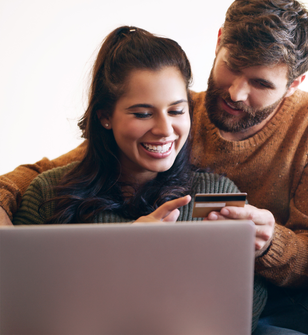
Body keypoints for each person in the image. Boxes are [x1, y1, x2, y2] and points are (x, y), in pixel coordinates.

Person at [0, 0, 308, 334]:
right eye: (231, 67)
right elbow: (57, 172)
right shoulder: (174, 116)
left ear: (295, 83)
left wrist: (270, 243)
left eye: (262, 83)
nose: (236, 93)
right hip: (229, 306)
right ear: (219, 39)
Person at [9, 25, 267, 333]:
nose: (164, 129)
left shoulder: (215, 195)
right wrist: (122, 253)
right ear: (105, 116)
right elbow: (18, 308)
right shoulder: (48, 194)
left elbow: (242, 310)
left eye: (176, 111)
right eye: (143, 114)